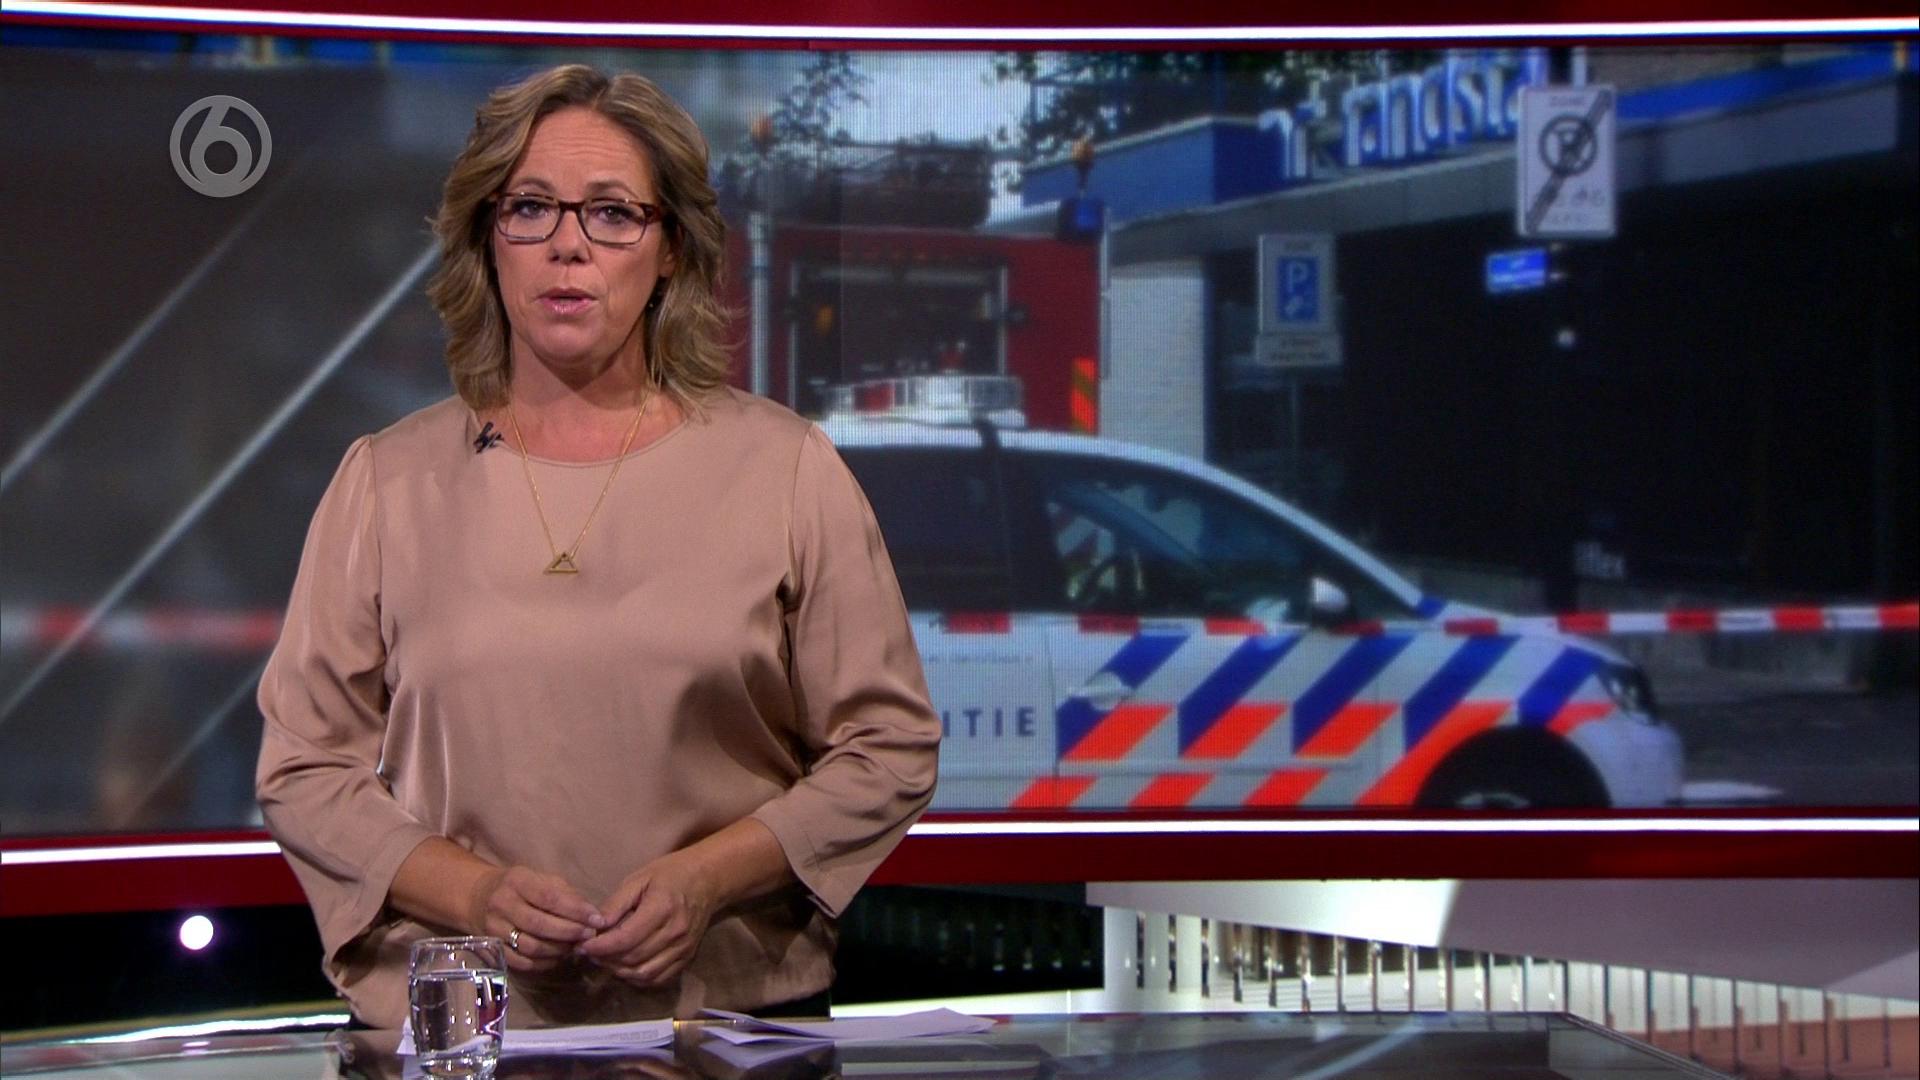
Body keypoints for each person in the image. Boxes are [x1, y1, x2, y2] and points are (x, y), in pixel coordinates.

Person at [255, 64, 941, 1028]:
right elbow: (304, 767)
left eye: (613, 213)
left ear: (671, 251)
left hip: (726, 1024)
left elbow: (887, 747)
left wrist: (707, 880)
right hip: (464, 1026)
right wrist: (472, 895)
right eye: (530, 207)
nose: (568, 244)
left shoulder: (785, 468)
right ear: (487, 240)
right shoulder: (386, 479)